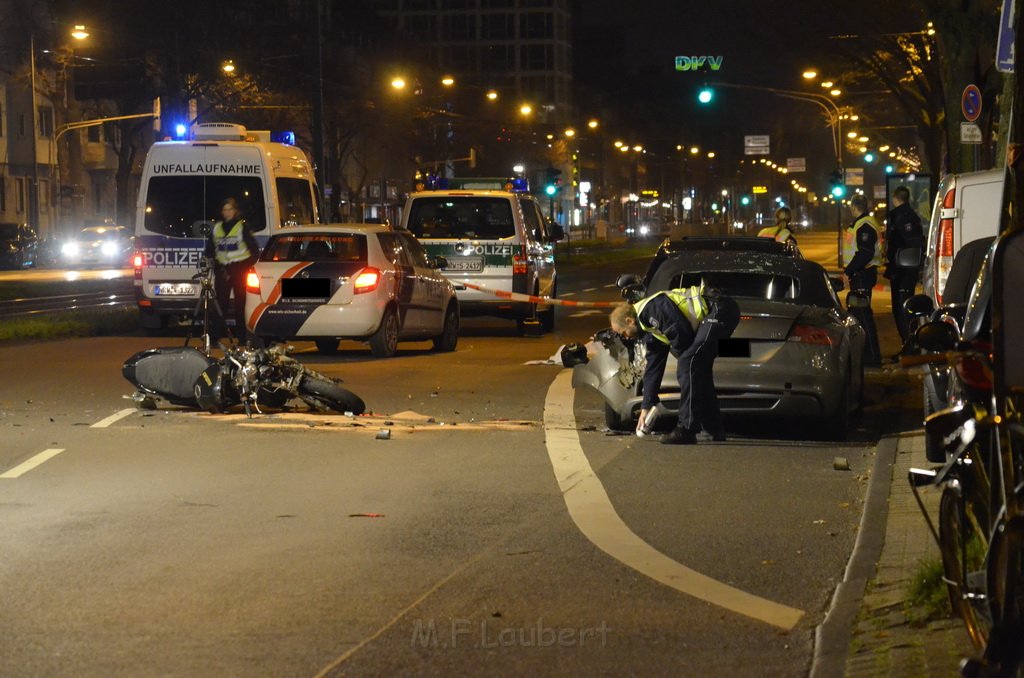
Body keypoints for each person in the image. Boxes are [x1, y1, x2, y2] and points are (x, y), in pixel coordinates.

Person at [609, 286, 739, 445]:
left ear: (629, 321)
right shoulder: (648, 326)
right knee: (698, 370)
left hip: (720, 308)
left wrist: (687, 367)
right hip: (716, 311)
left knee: (688, 364)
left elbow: (681, 335)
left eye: (623, 333)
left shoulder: (652, 309)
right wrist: (647, 406)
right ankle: (713, 430)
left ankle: (686, 429)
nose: (626, 338)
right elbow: (653, 368)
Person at [211, 197, 260, 341]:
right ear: (222, 212)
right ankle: (215, 337)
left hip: (239, 270)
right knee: (220, 305)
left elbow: (254, 250)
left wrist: (244, 267)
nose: (227, 212)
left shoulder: (241, 227)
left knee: (240, 305)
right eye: (225, 210)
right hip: (223, 271)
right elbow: (211, 249)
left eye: (230, 209)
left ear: (235, 211)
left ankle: (242, 337)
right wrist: (214, 263)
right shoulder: (217, 228)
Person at [844, 194, 883, 367]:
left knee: (863, 316)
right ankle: (866, 356)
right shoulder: (863, 223)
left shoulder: (864, 225)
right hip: (861, 274)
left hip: (862, 274)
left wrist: (850, 269)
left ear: (854, 207)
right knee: (860, 315)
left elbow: (865, 252)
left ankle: (872, 357)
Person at [884, 185, 924, 350]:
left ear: (895, 199)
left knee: (901, 309)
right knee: (905, 307)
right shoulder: (912, 216)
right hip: (907, 269)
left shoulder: (898, 217)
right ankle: (908, 344)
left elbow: (899, 245)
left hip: (901, 271)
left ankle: (909, 346)